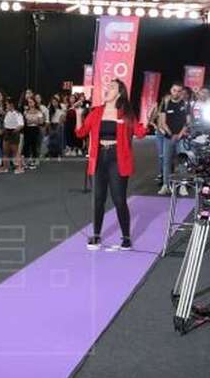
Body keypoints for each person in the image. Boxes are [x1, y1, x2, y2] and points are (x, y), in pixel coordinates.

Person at [75, 79, 146, 251]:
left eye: (112, 87)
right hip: (99, 158)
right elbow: (80, 133)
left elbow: (140, 133)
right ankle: (97, 235)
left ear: (119, 93)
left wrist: (148, 118)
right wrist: (78, 114)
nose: (107, 89)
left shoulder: (125, 113)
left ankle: (126, 237)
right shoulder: (96, 112)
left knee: (119, 200)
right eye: (108, 86)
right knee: (98, 199)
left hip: (117, 158)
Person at [157, 82, 191, 196]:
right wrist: (171, 134)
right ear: (171, 90)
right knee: (166, 162)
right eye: (174, 90)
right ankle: (166, 185)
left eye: (179, 91)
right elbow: (162, 122)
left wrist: (180, 134)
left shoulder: (185, 104)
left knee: (182, 162)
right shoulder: (165, 103)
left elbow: (188, 122)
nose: (176, 93)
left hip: (181, 138)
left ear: (182, 92)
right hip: (168, 137)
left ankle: (182, 186)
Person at [22, 96, 45, 171]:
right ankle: (26, 160)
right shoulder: (25, 111)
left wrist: (32, 121)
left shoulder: (39, 112)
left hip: (35, 129)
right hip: (27, 129)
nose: (30, 104)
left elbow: (41, 122)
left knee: (34, 145)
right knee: (26, 145)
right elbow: (25, 122)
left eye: (31, 102)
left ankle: (34, 161)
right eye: (28, 102)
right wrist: (35, 120)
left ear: (35, 103)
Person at [2, 97, 24, 174]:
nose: (6, 106)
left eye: (7, 104)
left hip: (14, 133)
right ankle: (5, 168)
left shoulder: (18, 114)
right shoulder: (7, 113)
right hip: (7, 133)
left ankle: (20, 168)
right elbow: (5, 123)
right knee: (5, 151)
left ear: (11, 105)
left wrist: (14, 131)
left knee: (15, 152)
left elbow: (21, 125)